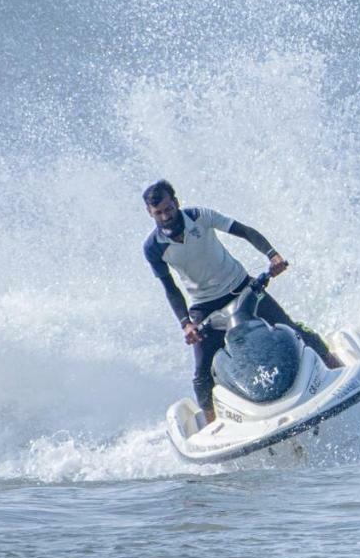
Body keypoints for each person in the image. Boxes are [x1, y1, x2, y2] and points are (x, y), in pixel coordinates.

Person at [141, 179, 338, 424]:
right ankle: (212, 427)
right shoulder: (153, 247)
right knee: (202, 373)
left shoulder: (200, 216)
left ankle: (337, 370)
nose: (165, 216)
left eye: (168, 209)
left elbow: (244, 231)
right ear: (150, 213)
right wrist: (186, 324)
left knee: (293, 329)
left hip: (242, 288)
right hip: (205, 307)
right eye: (158, 213)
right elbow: (170, 288)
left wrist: (272, 255)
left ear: (176, 202)